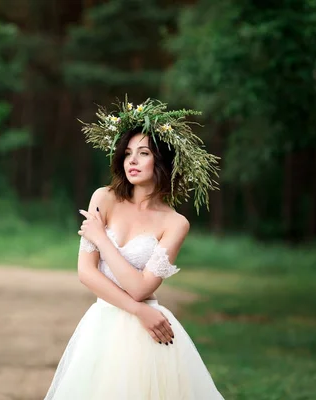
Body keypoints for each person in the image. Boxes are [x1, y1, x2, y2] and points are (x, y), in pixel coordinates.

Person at [44, 98, 224, 399]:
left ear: (163, 161)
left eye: (143, 154)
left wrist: (101, 239)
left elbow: (141, 288)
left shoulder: (175, 223)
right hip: (103, 324)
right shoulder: (104, 198)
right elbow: (86, 273)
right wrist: (138, 311)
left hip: (149, 335)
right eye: (128, 153)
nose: (133, 161)